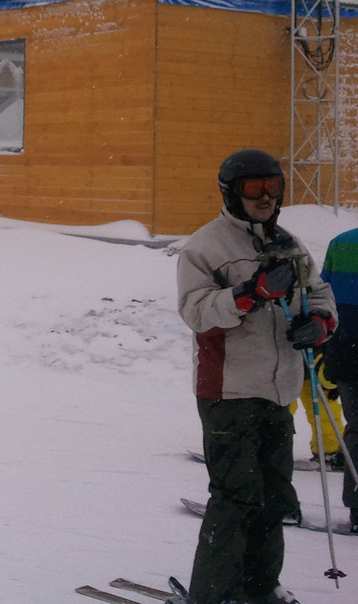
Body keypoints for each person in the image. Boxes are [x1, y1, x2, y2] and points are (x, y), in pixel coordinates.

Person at [173, 149, 338, 604]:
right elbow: (195, 312)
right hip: (229, 391)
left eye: (273, 187)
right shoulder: (206, 247)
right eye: (253, 188)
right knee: (236, 497)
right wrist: (249, 294)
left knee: (273, 498)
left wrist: (319, 322)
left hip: (278, 391)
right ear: (231, 192)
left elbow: (320, 293)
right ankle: (216, 594)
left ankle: (261, 586)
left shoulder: (288, 242)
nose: (265, 197)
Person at [320, 225, 358, 533]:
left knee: (357, 428)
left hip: (346, 351)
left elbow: (322, 295)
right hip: (347, 351)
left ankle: (357, 505)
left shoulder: (341, 242)